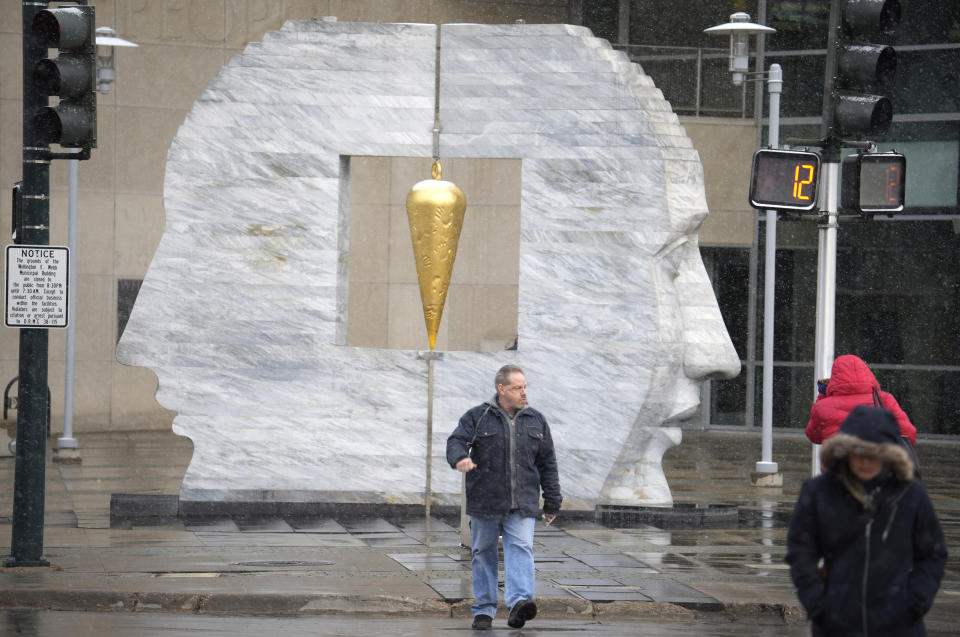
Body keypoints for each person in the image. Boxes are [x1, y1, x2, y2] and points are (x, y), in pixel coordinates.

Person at [786, 406, 946, 636]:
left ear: (888, 454)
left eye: (875, 454)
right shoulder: (819, 492)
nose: (866, 461)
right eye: (858, 452)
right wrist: (818, 605)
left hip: (899, 625)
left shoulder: (911, 494)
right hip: (836, 623)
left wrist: (914, 602)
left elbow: (933, 553)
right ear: (845, 451)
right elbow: (801, 552)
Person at [446, 364, 562, 631]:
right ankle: (484, 610)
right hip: (485, 502)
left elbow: (548, 463)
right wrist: (460, 458)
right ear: (501, 389)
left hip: (523, 503)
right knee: (483, 553)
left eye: (524, 387)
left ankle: (519, 603)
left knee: (521, 549)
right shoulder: (478, 416)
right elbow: (455, 441)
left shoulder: (536, 420)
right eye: (517, 388)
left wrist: (553, 501)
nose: (523, 393)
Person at [806, 354, 916, 445]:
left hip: (838, 467)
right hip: (876, 467)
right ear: (867, 373)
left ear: (834, 378)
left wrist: (823, 396)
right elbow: (908, 434)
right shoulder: (884, 399)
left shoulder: (823, 406)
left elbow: (813, 435)